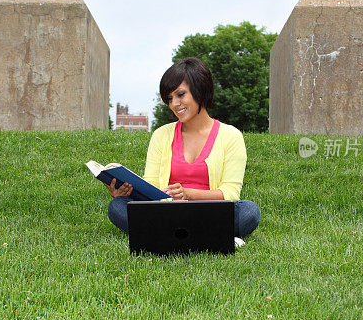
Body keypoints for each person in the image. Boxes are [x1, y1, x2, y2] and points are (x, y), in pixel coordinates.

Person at [106, 57, 260, 240]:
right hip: (167, 212)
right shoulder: (161, 135)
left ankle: (166, 236)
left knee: (249, 211)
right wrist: (127, 193)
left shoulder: (231, 136)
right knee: (117, 206)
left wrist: (189, 194)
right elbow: (152, 186)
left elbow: (230, 193)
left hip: (209, 213)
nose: (174, 104)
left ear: (200, 90)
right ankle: (207, 237)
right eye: (169, 98)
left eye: (180, 95)